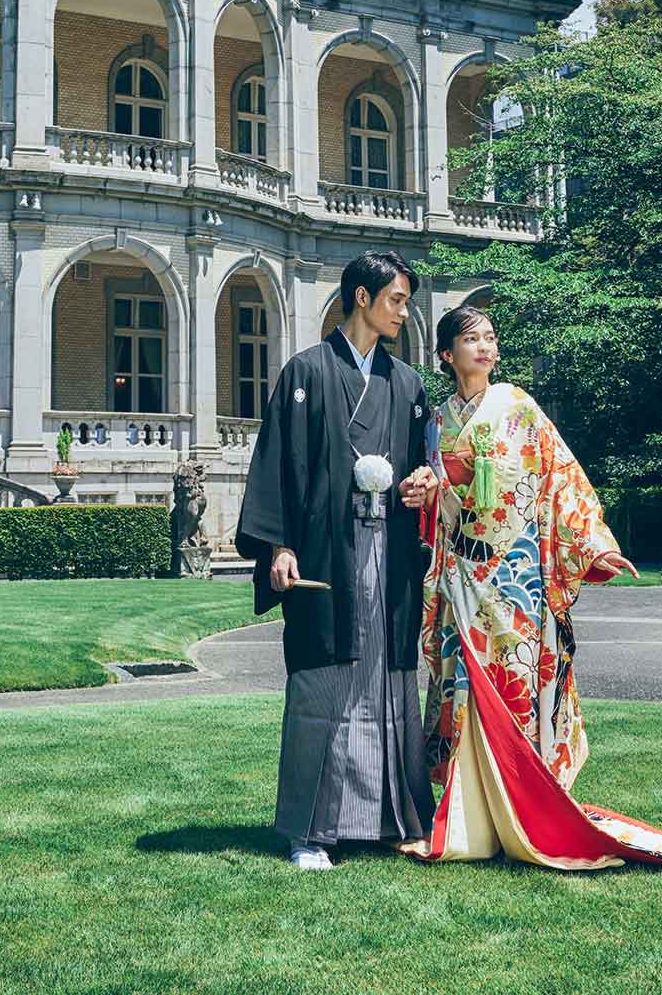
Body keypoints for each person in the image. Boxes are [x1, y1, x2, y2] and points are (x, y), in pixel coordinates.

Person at [410, 305, 662, 869]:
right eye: (472, 339)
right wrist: (427, 490)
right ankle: (472, 821)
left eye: (491, 337)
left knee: (516, 685)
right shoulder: (436, 421)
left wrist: (596, 544)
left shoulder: (518, 406)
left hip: (516, 574)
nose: (486, 347)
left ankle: (526, 812)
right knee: (466, 689)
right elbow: (441, 498)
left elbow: (562, 477)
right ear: (447, 354)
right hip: (463, 574)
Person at [235, 250, 436, 870]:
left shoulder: (407, 384)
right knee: (323, 679)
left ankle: (390, 819)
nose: (403, 312)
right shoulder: (305, 372)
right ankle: (311, 830)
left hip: (391, 553)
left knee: (387, 677)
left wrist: (423, 485)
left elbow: (426, 463)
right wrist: (280, 545)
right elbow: (279, 464)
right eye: (396, 300)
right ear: (362, 298)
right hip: (326, 551)